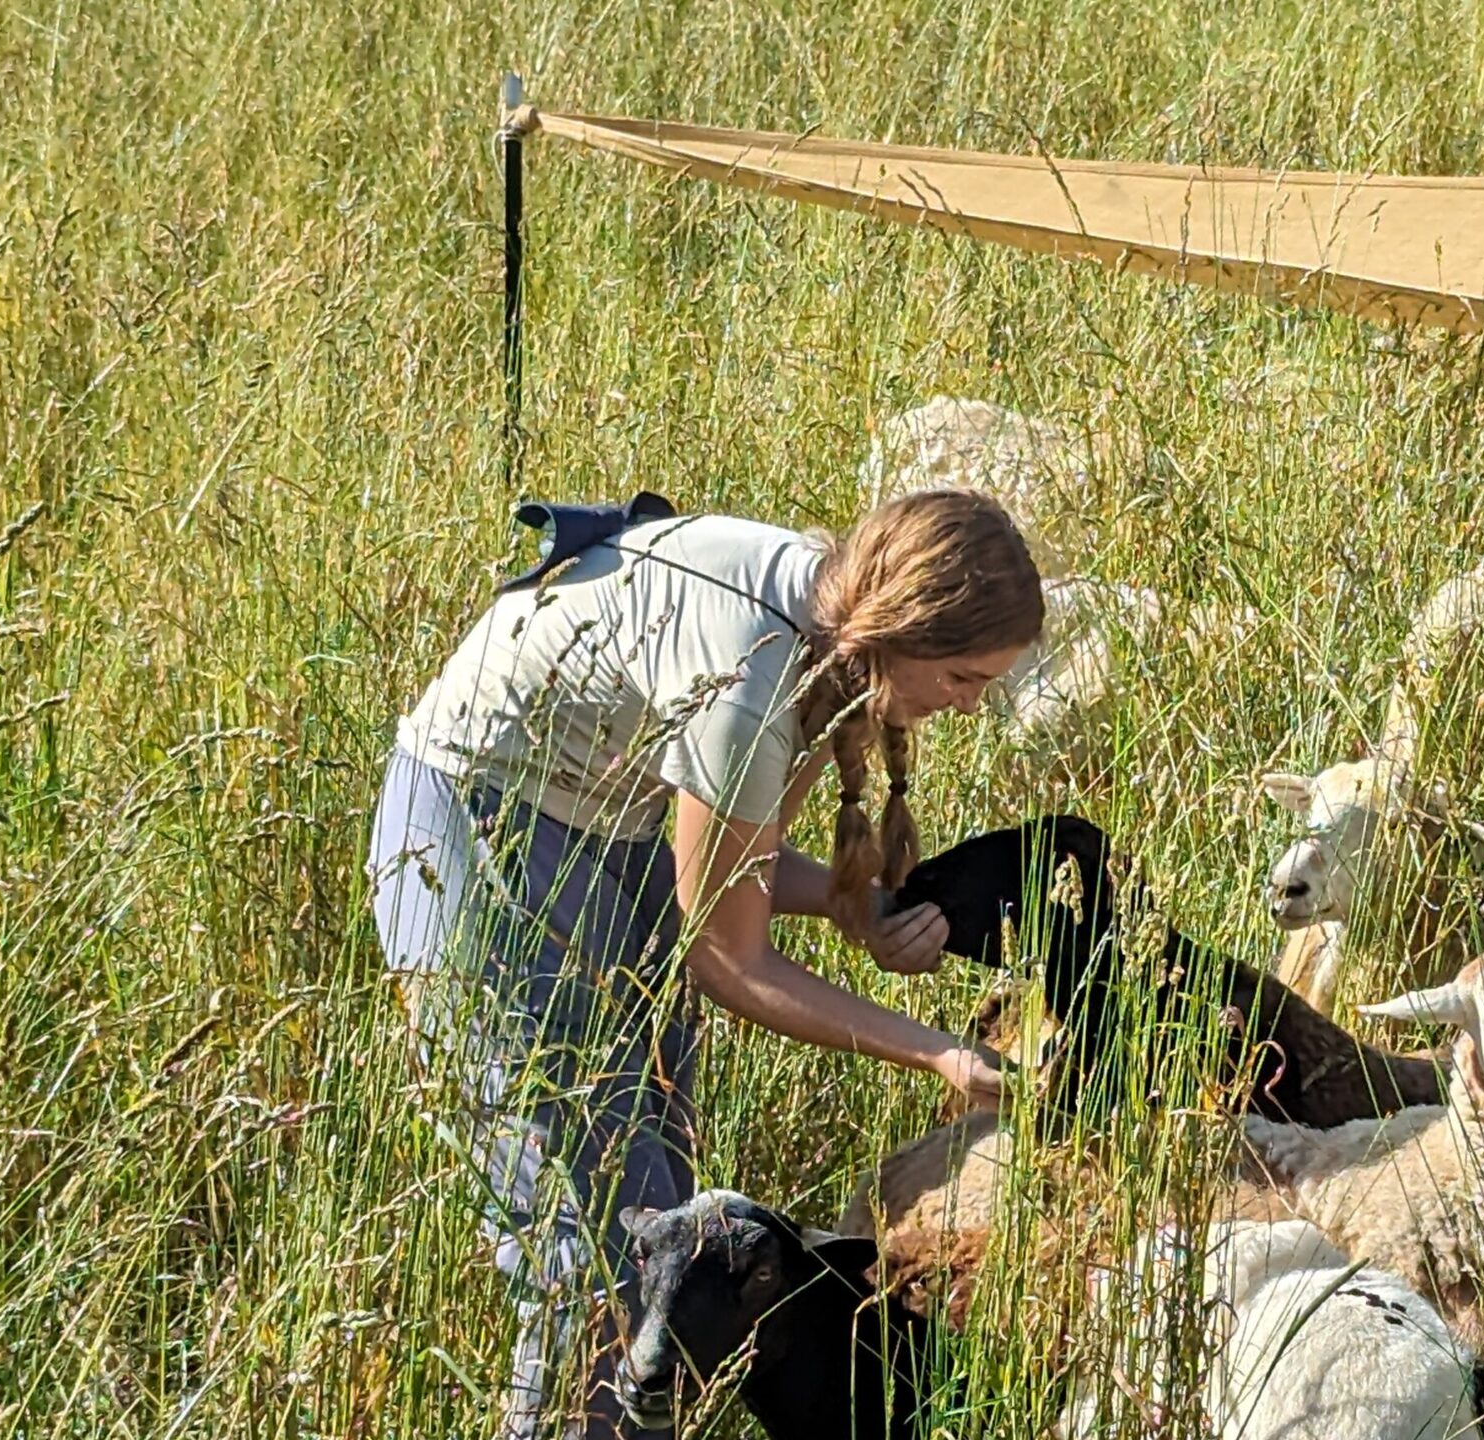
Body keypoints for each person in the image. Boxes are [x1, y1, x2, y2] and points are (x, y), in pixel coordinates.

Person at [366, 487, 1043, 1439]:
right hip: (483, 825)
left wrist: (862, 905)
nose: (969, 706)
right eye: (966, 678)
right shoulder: (756, 678)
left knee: (662, 1207)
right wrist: (936, 1054)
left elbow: (742, 860)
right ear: (903, 629)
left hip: (615, 823)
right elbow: (730, 962)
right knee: (601, 1244)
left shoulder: (827, 636)